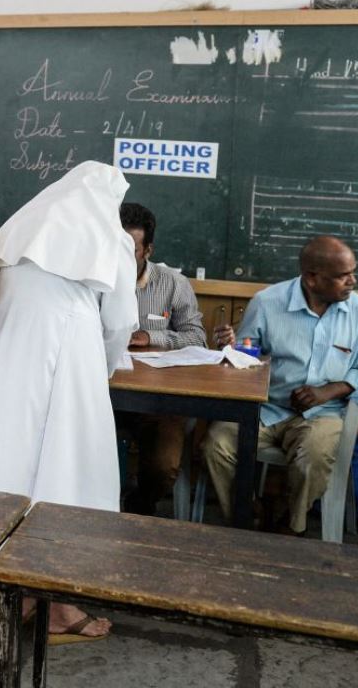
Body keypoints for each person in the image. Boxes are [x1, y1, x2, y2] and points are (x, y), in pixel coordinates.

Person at [0, 161, 137, 644]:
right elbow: (119, 323)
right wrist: (102, 370)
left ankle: (17, 593)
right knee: (65, 470)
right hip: (69, 352)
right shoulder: (111, 239)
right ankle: (58, 605)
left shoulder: (24, 227)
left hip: (9, 350)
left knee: (8, 464)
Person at [203, 235, 358, 536]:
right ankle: (248, 516)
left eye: (353, 272)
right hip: (266, 409)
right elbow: (247, 357)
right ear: (312, 278)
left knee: (313, 454)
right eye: (342, 276)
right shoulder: (268, 302)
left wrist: (328, 391)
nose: (352, 281)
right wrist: (231, 348)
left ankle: (292, 526)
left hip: (323, 414)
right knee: (216, 445)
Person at [117, 202, 223, 515]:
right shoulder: (92, 281)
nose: (118, 257)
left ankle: (140, 504)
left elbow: (197, 339)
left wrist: (152, 337)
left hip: (157, 402)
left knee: (163, 466)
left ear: (147, 250)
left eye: (130, 249)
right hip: (105, 395)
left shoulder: (173, 284)